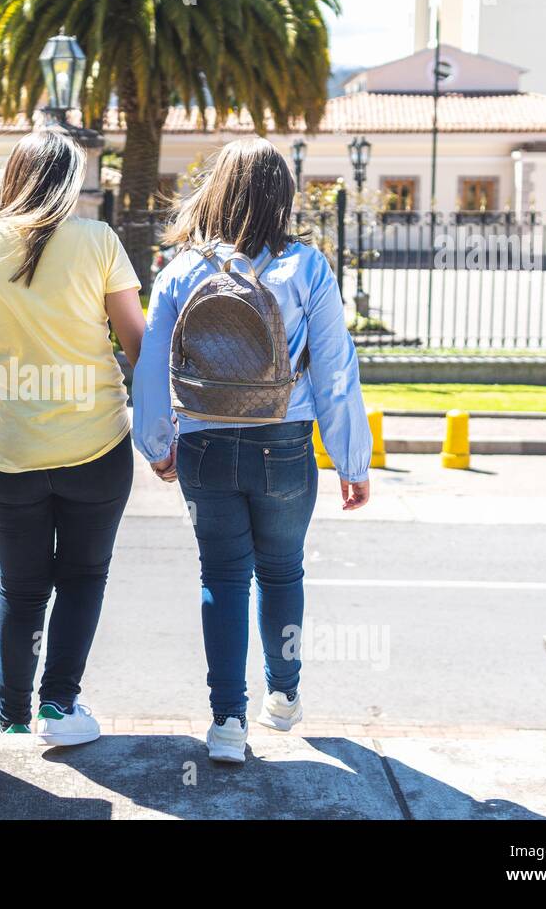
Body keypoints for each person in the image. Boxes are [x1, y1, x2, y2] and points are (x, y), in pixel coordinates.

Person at [132, 136, 373, 763]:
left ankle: (226, 723)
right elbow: (336, 373)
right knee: (283, 571)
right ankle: (285, 697)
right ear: (283, 197)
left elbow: (151, 366)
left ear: (217, 191)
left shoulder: (181, 269)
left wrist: (158, 444)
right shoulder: (308, 267)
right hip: (285, 444)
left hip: (204, 443)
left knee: (222, 578)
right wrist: (352, 459)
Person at [0, 129, 146, 746]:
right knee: (82, 578)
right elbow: (138, 344)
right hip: (98, 448)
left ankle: (14, 719)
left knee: (20, 589)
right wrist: (163, 429)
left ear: (15, 176)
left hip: (8, 454)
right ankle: (58, 707)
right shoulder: (98, 241)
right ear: (70, 181)